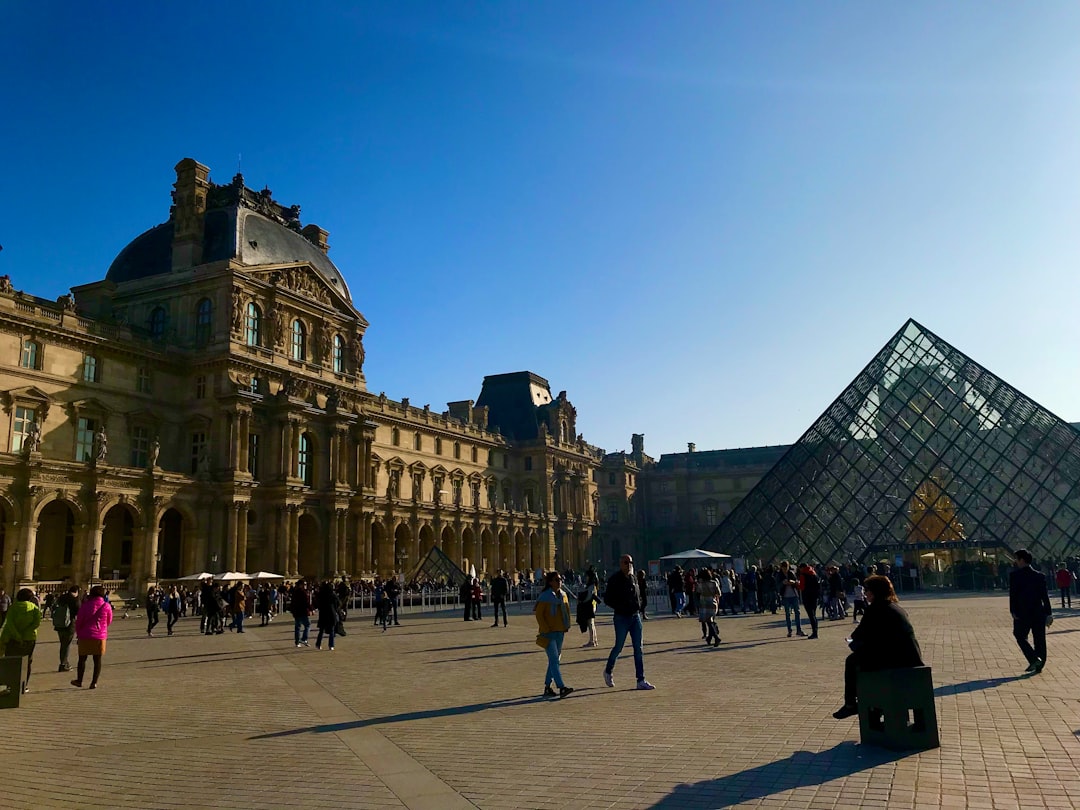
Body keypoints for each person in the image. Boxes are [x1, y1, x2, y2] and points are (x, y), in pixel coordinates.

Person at [832, 575, 924, 719]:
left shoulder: (875, 609)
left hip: (895, 660)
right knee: (865, 660)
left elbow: (858, 635)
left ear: (875, 591)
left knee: (853, 661)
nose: (865, 593)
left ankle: (853, 704)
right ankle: (876, 707)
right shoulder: (895, 607)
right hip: (911, 658)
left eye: (867, 590)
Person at [603, 554, 655, 690]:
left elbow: (638, 594)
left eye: (630, 562)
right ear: (620, 564)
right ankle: (608, 671)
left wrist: (640, 606)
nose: (629, 565)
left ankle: (641, 679)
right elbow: (607, 599)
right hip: (621, 617)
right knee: (618, 647)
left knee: (638, 648)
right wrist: (620, 607)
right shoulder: (615, 579)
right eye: (626, 562)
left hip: (635, 616)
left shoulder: (634, 578)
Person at [1010, 548, 1053, 674]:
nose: (1015, 561)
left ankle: (1034, 659)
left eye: (1016, 559)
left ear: (1022, 560)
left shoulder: (1015, 576)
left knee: (1019, 635)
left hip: (1022, 612)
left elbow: (1013, 595)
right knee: (1039, 639)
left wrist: (1013, 610)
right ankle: (1039, 665)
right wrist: (1048, 613)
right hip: (1038, 611)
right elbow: (1044, 596)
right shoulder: (1040, 576)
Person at [534, 570, 573, 698]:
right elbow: (539, 614)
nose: (560, 581)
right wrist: (545, 629)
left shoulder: (563, 595)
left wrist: (567, 625)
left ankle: (547, 686)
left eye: (560, 579)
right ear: (550, 582)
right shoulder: (545, 596)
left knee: (554, 661)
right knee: (555, 660)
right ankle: (561, 687)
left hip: (560, 631)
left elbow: (566, 612)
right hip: (549, 633)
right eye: (557, 579)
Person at [0, 587, 43, 693]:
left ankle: (10, 686)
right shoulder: (34, 608)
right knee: (27, 662)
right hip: (29, 639)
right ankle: (24, 685)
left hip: (13, 639)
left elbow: (9, 624)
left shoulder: (13, 608)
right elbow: (37, 623)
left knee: (11, 662)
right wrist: (26, 632)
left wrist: (18, 635)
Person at [72, 585, 113, 690]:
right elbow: (109, 621)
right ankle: (94, 682)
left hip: (85, 635)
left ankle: (79, 680)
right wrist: (102, 628)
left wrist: (79, 633)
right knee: (97, 659)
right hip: (100, 636)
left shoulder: (85, 606)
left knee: (82, 659)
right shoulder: (106, 606)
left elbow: (79, 621)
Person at [53, 584, 80, 671]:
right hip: (69, 625)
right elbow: (79, 612)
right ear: (76, 592)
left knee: (63, 644)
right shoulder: (75, 600)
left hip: (59, 624)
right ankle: (63, 664)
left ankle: (64, 662)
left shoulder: (61, 597)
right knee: (66, 645)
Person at [779, 562, 804, 637]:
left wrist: (793, 582)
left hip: (794, 595)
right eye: (783, 567)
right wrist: (783, 583)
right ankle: (789, 630)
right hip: (786, 596)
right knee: (788, 614)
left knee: (797, 612)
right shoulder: (779, 575)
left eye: (786, 567)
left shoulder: (791, 573)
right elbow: (777, 585)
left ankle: (799, 630)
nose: (784, 569)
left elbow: (797, 582)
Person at [696, 569, 721, 646]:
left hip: (704, 603)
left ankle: (716, 637)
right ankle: (709, 638)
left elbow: (698, 591)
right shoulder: (714, 583)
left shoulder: (701, 584)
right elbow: (719, 593)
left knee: (708, 621)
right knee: (710, 620)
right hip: (712, 601)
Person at [314, 581, 340, 651]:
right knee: (331, 630)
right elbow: (338, 603)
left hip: (323, 613)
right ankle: (331, 645)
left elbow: (317, 603)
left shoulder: (320, 594)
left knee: (321, 630)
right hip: (331, 613)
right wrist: (335, 609)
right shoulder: (332, 594)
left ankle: (318, 644)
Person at [578, 569, 600, 647]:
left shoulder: (592, 586)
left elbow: (588, 596)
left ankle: (592, 641)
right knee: (592, 624)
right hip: (592, 605)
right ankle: (594, 640)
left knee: (590, 624)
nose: (586, 577)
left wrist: (582, 601)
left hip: (590, 606)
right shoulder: (592, 585)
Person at [799, 563, 820, 639]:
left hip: (807, 597)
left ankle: (814, 633)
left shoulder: (803, 575)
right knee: (814, 615)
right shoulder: (814, 573)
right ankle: (815, 631)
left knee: (811, 615)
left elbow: (801, 587)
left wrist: (796, 584)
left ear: (802, 568)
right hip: (815, 597)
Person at [290, 581, 312, 647]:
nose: (305, 585)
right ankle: (304, 639)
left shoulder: (295, 592)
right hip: (303, 612)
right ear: (301, 585)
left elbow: (292, 603)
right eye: (304, 584)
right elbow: (306, 602)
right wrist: (311, 609)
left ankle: (297, 642)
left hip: (296, 612)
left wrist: (292, 611)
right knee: (307, 625)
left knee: (297, 627)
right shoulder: (303, 592)